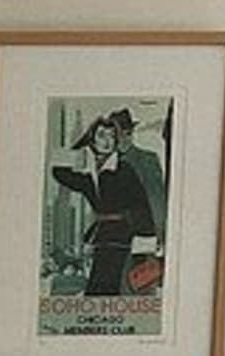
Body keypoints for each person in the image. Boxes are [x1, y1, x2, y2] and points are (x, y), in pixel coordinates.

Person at [50, 110, 156, 297]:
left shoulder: (124, 170)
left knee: (101, 290)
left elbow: (141, 204)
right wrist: (79, 144)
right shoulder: (91, 173)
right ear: (92, 140)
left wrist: (144, 246)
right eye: (101, 135)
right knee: (101, 289)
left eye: (111, 136)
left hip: (119, 236)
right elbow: (59, 173)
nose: (107, 141)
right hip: (102, 237)